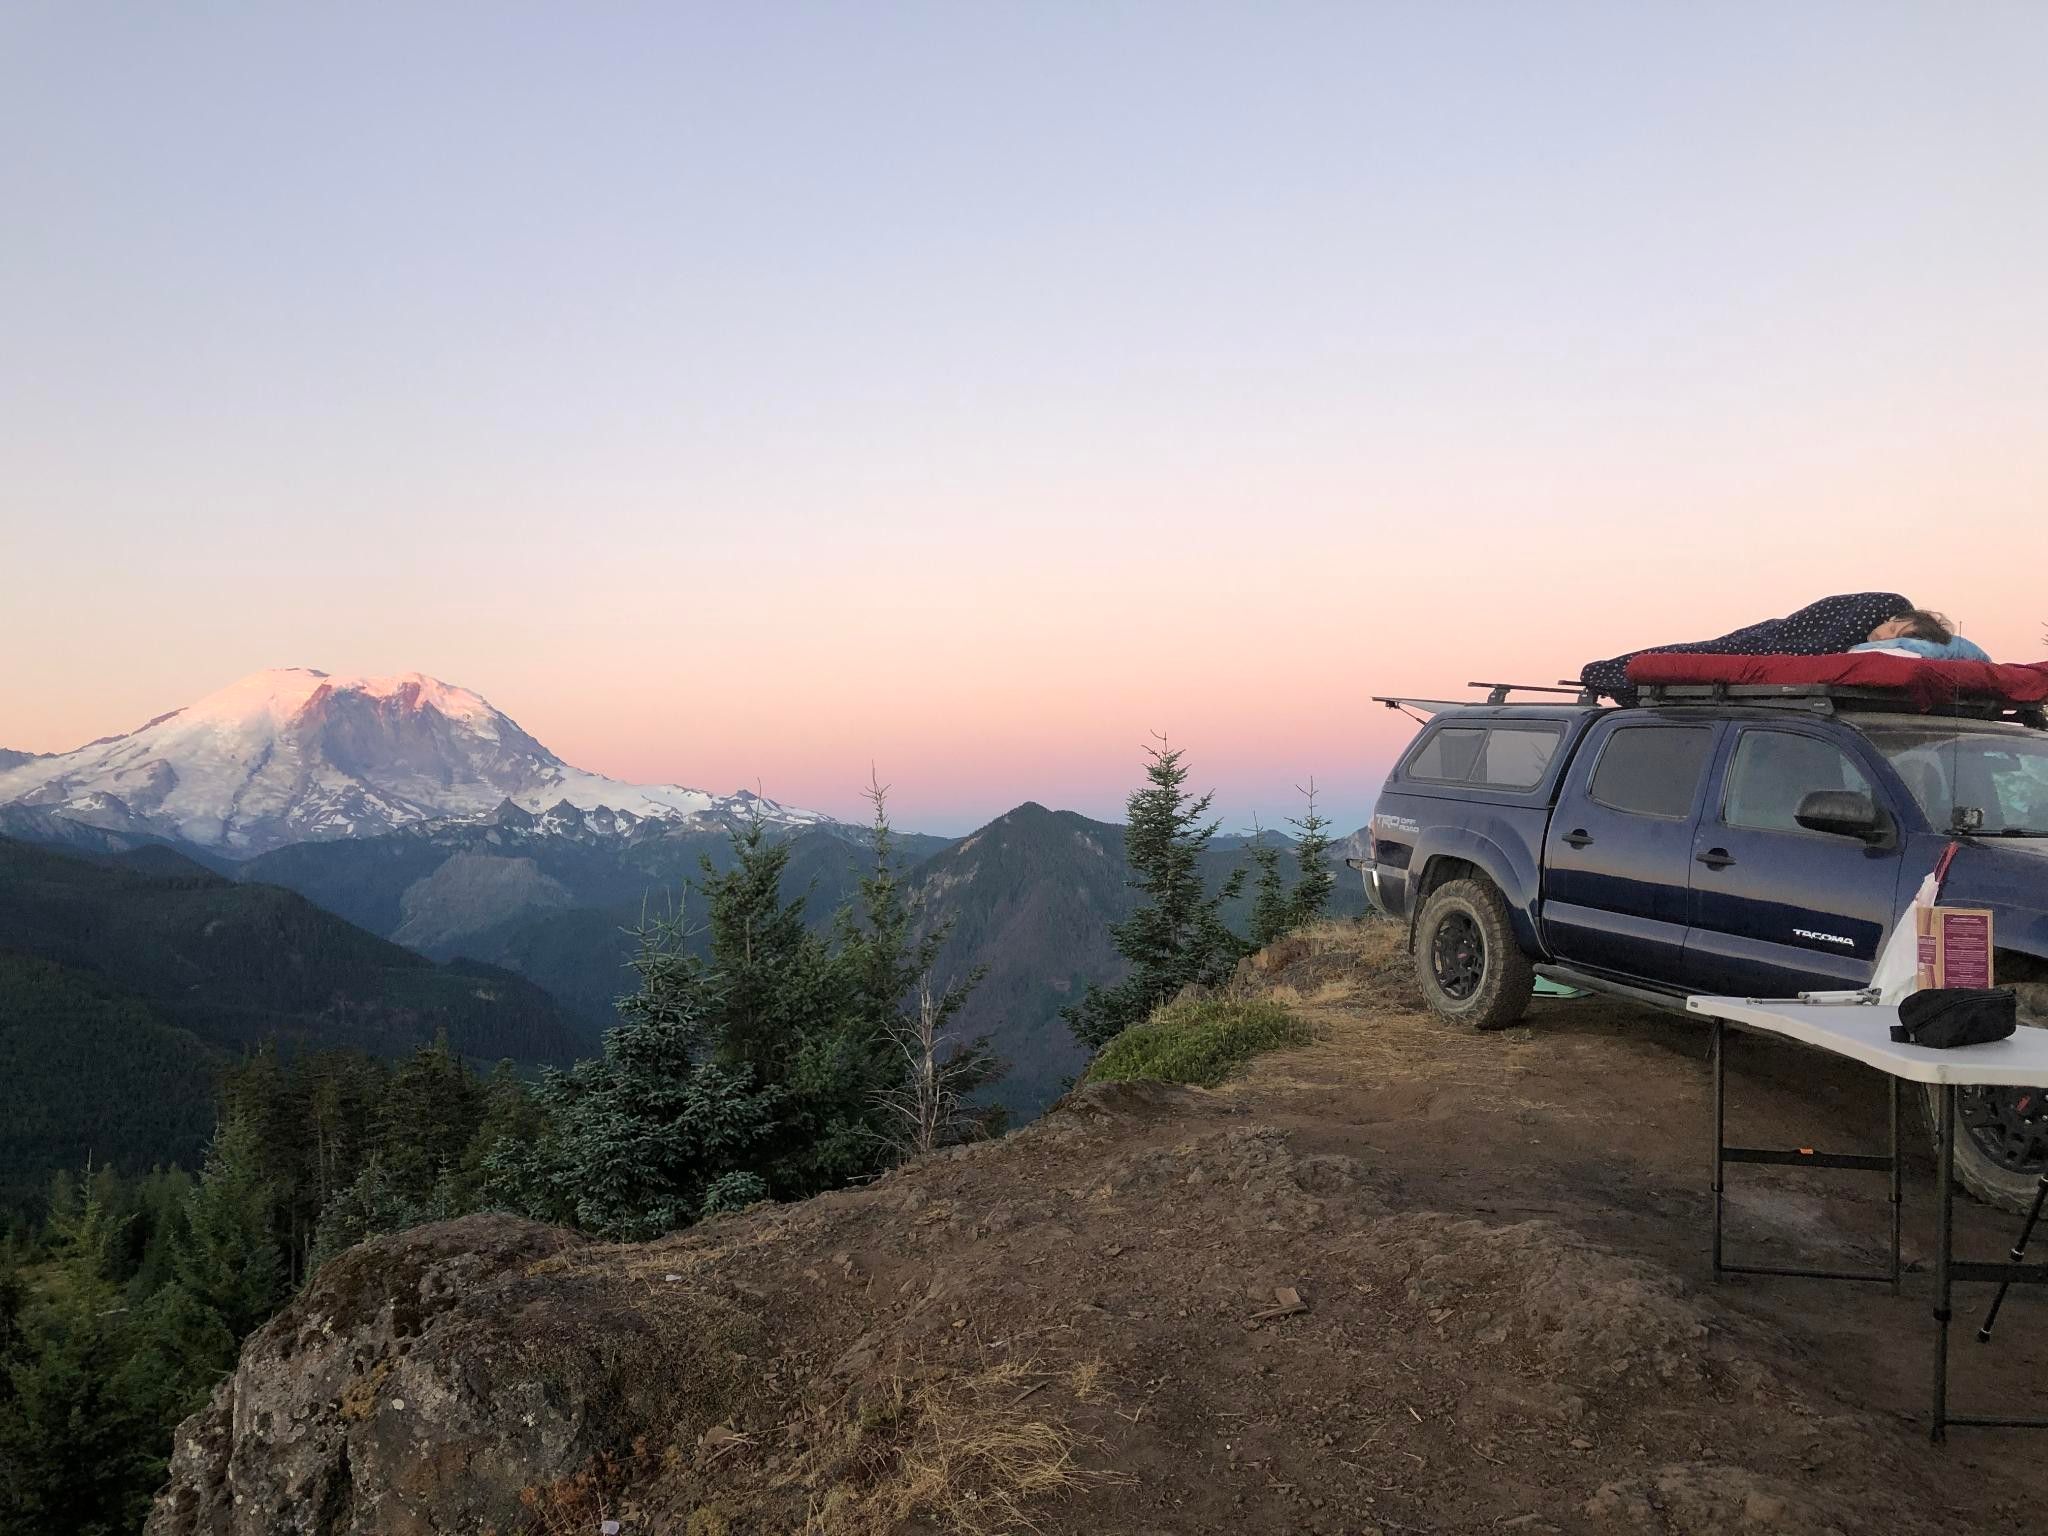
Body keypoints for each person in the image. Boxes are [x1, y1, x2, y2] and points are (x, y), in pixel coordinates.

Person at [1580, 591, 1914, 704]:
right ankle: (1611, 671)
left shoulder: (1875, 646)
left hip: (1773, 640)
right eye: (1892, 628)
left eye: (1897, 636)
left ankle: (1611, 673)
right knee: (1703, 653)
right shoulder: (1880, 606)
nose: (1886, 637)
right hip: (1773, 637)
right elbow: (1819, 638)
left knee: (1701, 654)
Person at [1852, 609, 1993, 662]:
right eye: (1891, 628)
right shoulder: (1859, 618)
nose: (1883, 639)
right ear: (1889, 619)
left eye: (1895, 640)